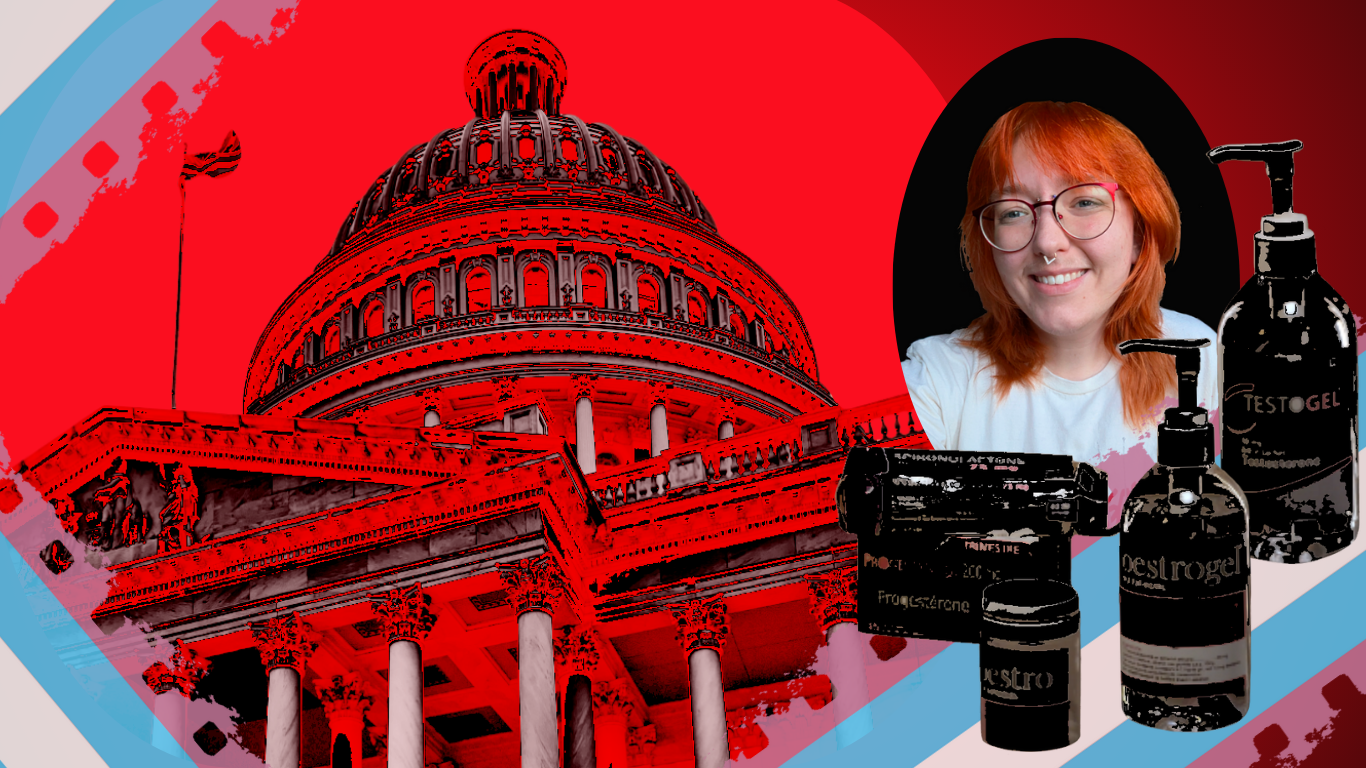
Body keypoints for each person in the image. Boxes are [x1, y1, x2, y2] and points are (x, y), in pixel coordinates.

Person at [902, 101, 1217, 517]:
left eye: (1085, 202)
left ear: (1141, 230)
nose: (1048, 243)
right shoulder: (938, 381)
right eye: (1014, 211)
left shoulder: (1206, 360)